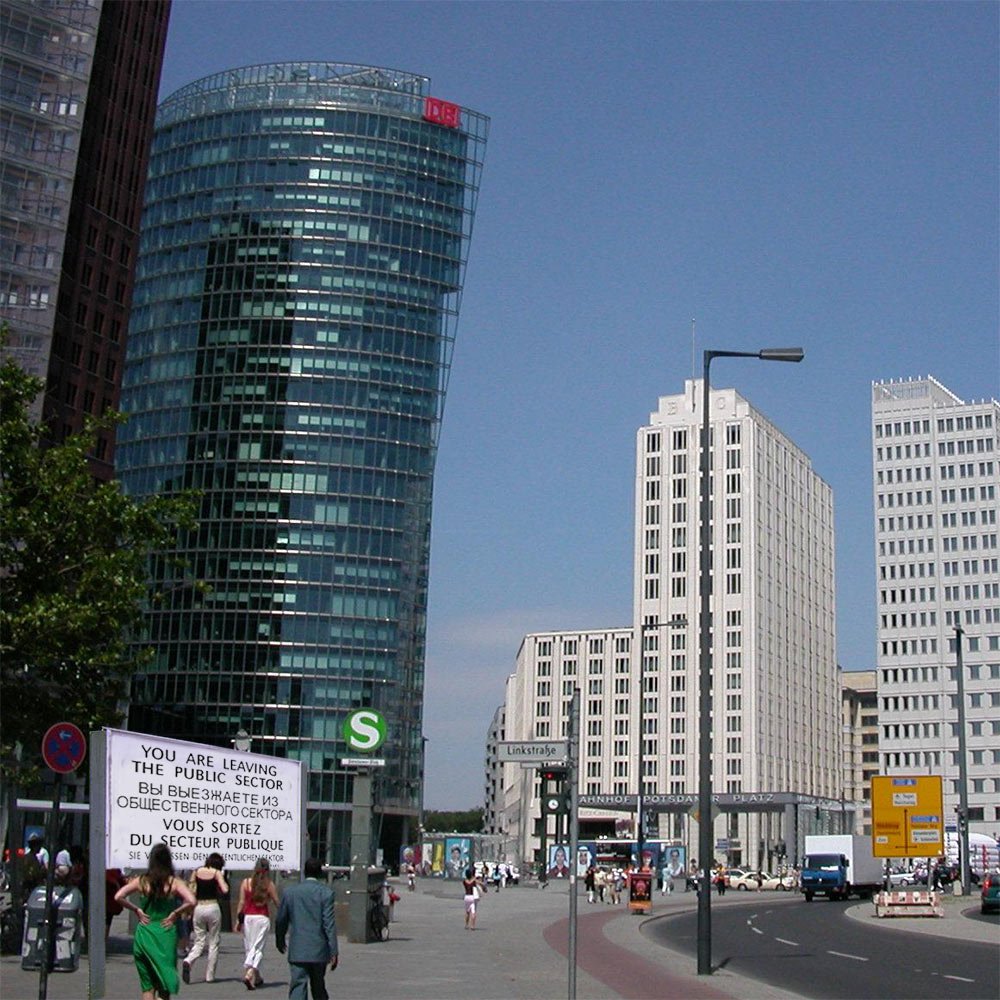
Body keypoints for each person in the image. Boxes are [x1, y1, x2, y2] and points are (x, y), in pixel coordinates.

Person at [115, 842, 196, 1000]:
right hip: (165, 933)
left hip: (145, 932)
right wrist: (175, 913)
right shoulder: (173, 883)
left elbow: (118, 896)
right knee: (164, 985)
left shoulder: (142, 881)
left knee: (148, 985)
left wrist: (136, 910)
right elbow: (192, 901)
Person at [275, 858, 338, 1000]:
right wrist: (333, 950)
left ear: (304, 871)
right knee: (318, 985)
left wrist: (280, 939)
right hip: (319, 949)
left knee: (298, 985)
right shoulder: (326, 893)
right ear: (320, 873)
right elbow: (329, 924)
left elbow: (281, 920)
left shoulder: (290, 892)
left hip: (298, 948)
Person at [182, 852, 228, 984]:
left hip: (199, 907)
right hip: (213, 906)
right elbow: (225, 889)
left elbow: (192, 890)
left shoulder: (197, 871)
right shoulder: (216, 873)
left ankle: (189, 960)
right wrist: (221, 881)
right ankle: (210, 975)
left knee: (199, 940)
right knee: (214, 941)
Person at [238, 857, 280, 991]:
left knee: (249, 946)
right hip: (262, 917)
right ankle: (250, 973)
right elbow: (277, 902)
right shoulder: (269, 885)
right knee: (258, 947)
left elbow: (241, 902)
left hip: (248, 917)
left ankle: (256, 977)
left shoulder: (246, 883)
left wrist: (238, 920)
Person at [461, 865, 485, 930]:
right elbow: (481, 884)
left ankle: (466, 925)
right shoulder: (474, 881)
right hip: (472, 897)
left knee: (467, 911)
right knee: (473, 911)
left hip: (466, 896)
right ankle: (472, 926)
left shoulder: (464, 881)